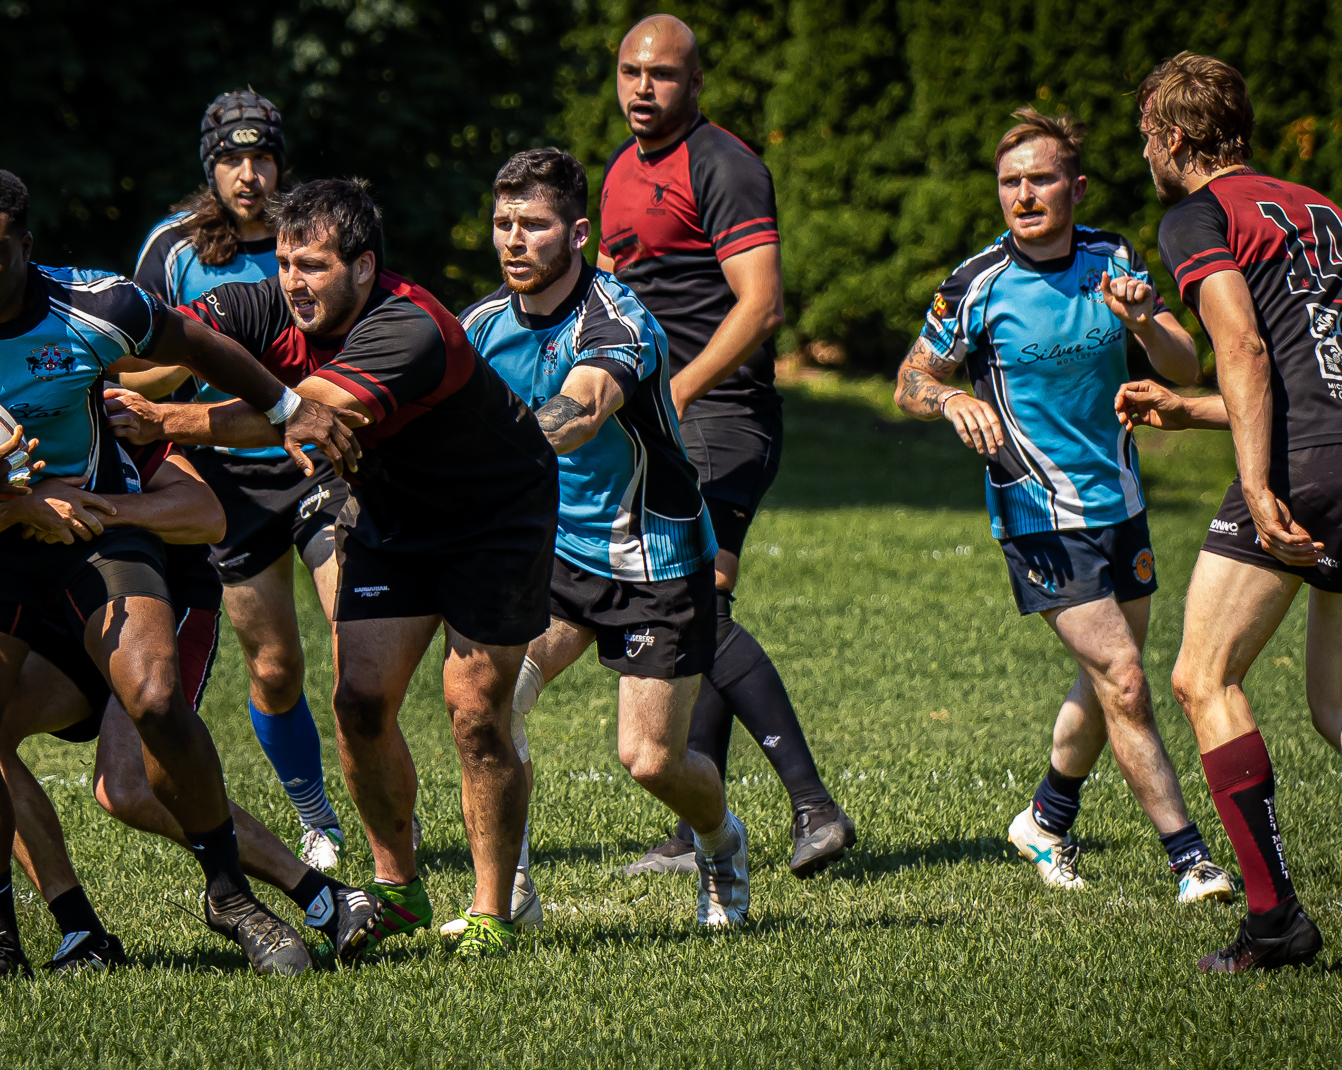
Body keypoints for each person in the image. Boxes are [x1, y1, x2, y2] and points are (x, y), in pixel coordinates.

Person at [0, 165, 362, 980]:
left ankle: (229, 893)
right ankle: (3, 939)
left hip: (95, 537)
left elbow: (199, 343)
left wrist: (289, 409)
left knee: (154, 700)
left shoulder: (98, 309)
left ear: (25, 249)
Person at [106, 179, 559, 956]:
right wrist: (97, 377)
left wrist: (160, 419)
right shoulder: (263, 305)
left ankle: (491, 908)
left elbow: (303, 414)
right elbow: (165, 350)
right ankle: (399, 888)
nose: (292, 281)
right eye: (285, 262)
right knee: (359, 702)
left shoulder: (407, 326)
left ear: (362, 266)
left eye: (312, 265)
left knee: (475, 709)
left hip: (494, 520)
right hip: (390, 516)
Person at [1116, 52, 1342, 974]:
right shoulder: (1320, 207)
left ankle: (1274, 921)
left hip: (1307, 462)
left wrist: (1259, 485)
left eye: (1147, 134)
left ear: (1175, 138)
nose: (1144, 151)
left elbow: (1243, 348)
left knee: (1201, 677)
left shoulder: (1197, 212)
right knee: (1340, 697)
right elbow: (1317, 367)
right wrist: (1188, 410)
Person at [894, 108, 1234, 904]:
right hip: (1035, 512)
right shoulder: (975, 284)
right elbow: (910, 379)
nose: (1023, 194)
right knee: (1122, 680)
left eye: (1040, 178)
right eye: (1010, 182)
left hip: (1120, 503)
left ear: (1075, 187)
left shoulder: (1112, 256)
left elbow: (1185, 367)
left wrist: (1144, 320)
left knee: (1107, 681)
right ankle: (1190, 860)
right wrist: (948, 401)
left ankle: (1045, 822)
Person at [0, 438, 378, 973]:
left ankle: (314, 896)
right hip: (59, 615)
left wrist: (91, 503)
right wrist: (17, 507)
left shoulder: (89, 408)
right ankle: (82, 931)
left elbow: (205, 515)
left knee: (126, 787)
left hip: (157, 597)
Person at [458, 148, 750, 930]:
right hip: (551, 556)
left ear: (579, 232)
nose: (515, 240)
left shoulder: (618, 320)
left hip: (652, 558)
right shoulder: (482, 326)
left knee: (649, 759)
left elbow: (583, 409)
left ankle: (720, 843)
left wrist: (503, 450)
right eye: (503, 224)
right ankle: (507, 893)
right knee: (487, 704)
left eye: (536, 225)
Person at [597, 14, 850, 878]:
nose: (642, 87)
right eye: (631, 71)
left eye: (662, 74)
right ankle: (693, 826)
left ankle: (813, 806)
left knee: (696, 605)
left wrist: (672, 391)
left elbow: (761, 306)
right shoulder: (618, 175)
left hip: (720, 413)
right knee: (697, 612)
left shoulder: (725, 166)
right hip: (662, 421)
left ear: (694, 84)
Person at [132, 90, 355, 871]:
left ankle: (386, 813)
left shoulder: (313, 234)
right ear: (212, 167)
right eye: (233, 159)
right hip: (228, 476)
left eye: (263, 158)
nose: (250, 174)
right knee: (273, 666)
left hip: (317, 463)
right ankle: (316, 816)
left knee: (355, 639)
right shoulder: (171, 249)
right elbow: (142, 357)